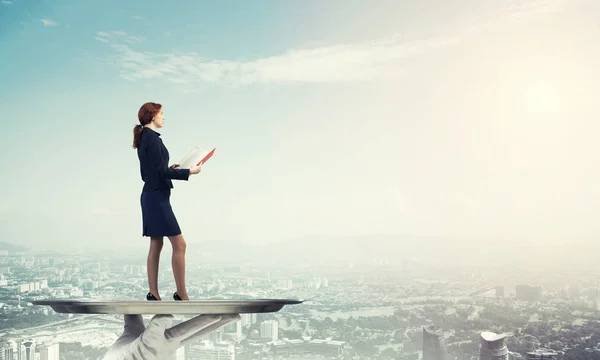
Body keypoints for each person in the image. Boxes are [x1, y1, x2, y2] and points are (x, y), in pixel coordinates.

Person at [132, 102, 202, 301]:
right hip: (156, 198)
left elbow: (154, 171)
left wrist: (171, 167)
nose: (164, 117)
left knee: (156, 243)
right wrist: (189, 171)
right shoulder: (151, 139)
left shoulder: (146, 137)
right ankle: (182, 294)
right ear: (152, 116)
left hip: (153, 195)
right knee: (179, 245)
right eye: (161, 114)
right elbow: (159, 172)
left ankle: (154, 293)